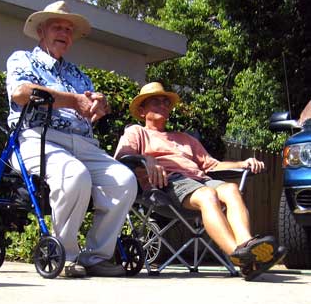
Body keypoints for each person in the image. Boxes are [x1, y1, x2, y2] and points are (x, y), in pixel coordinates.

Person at [6, 0, 137, 278]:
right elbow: (20, 92)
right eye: (57, 27)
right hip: (38, 138)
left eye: (69, 29)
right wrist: (74, 101)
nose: (64, 33)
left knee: (124, 181)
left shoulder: (78, 74)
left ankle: (97, 256)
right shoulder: (22, 59)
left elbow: (87, 111)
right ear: (42, 31)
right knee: (75, 176)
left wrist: (98, 107)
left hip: (83, 142)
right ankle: (65, 255)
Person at [114, 82, 286, 281]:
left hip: (200, 181)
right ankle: (238, 256)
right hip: (166, 186)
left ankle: (247, 246)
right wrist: (147, 159)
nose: (163, 105)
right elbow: (123, 157)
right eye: (156, 102)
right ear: (142, 111)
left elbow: (212, 166)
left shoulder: (185, 138)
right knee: (208, 195)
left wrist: (243, 162)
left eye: (165, 102)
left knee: (230, 189)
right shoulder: (137, 132)